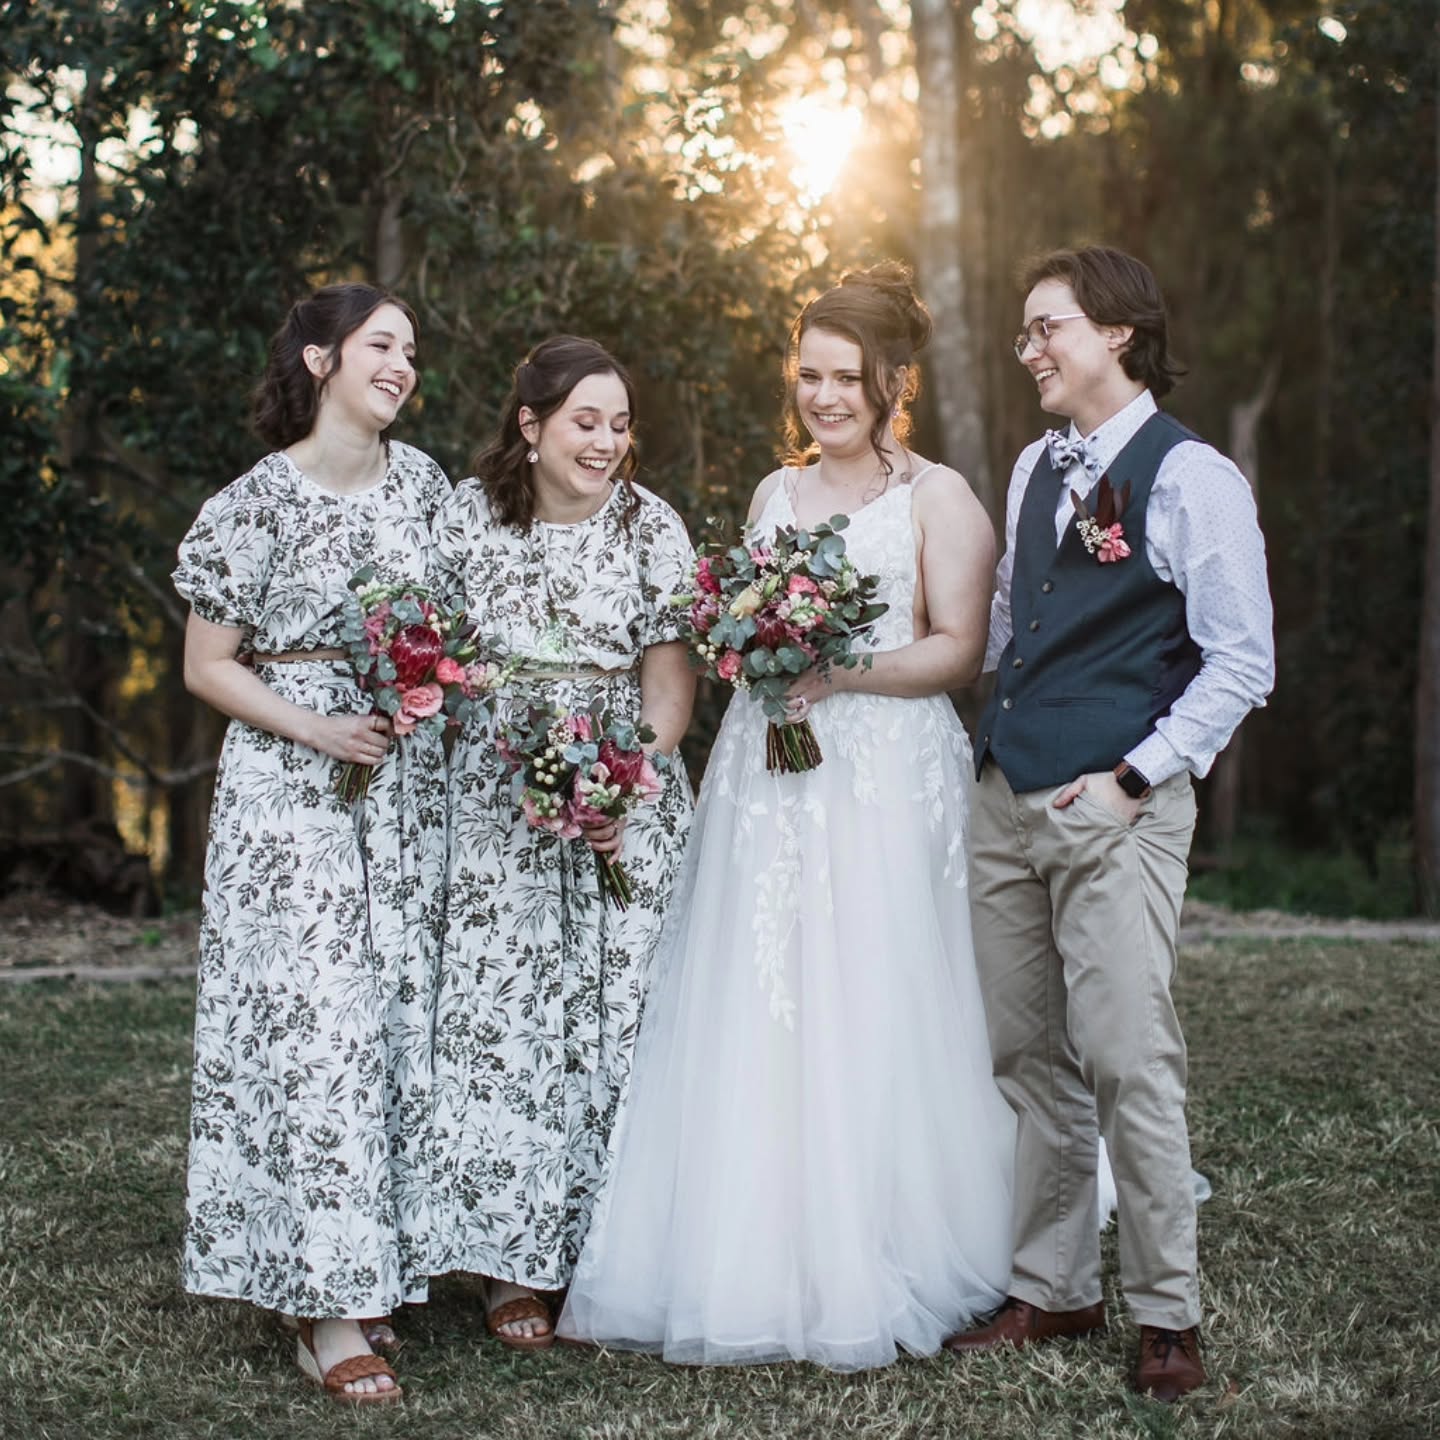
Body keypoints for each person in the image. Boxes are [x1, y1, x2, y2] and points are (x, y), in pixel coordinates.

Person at [558, 263, 1015, 1371]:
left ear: (890, 382)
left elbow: (961, 648)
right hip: (770, 773)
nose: (824, 397)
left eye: (845, 379)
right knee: (765, 988)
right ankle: (752, 1239)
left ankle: (896, 1232)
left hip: (888, 773)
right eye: (808, 376)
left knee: (880, 986)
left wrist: (838, 670)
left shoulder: (938, 496)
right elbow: (740, 631)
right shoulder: (775, 492)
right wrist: (754, 651)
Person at [945, 246, 1275, 1402]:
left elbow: (1243, 664)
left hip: (1114, 811)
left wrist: (1135, 780)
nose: (1029, 349)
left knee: (1129, 1058)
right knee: (1026, 1057)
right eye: (1027, 332)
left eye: (1049, 329)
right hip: (1005, 802)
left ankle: (1167, 1312)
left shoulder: (1196, 480)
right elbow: (1007, 627)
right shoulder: (1037, 463)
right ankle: (1055, 1285)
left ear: (1117, 335)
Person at [173, 283, 452, 1403]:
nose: (402, 365)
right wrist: (319, 724)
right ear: (322, 358)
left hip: (403, 792)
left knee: (389, 1018)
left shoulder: (426, 485)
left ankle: (368, 1265)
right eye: (383, 345)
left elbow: (448, 628)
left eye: (413, 352)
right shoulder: (253, 506)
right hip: (289, 796)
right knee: (318, 1029)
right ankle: (328, 1314)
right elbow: (208, 664)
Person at [428, 336, 697, 1349]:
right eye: (586, 421)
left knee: (623, 1021)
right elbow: (437, 651)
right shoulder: (468, 512)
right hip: (499, 802)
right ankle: (510, 1268)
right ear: (532, 426)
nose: (607, 442)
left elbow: (671, 686)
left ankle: (614, 1258)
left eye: (620, 424)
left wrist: (623, 774)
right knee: (509, 1025)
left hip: (624, 792)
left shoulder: (651, 526)